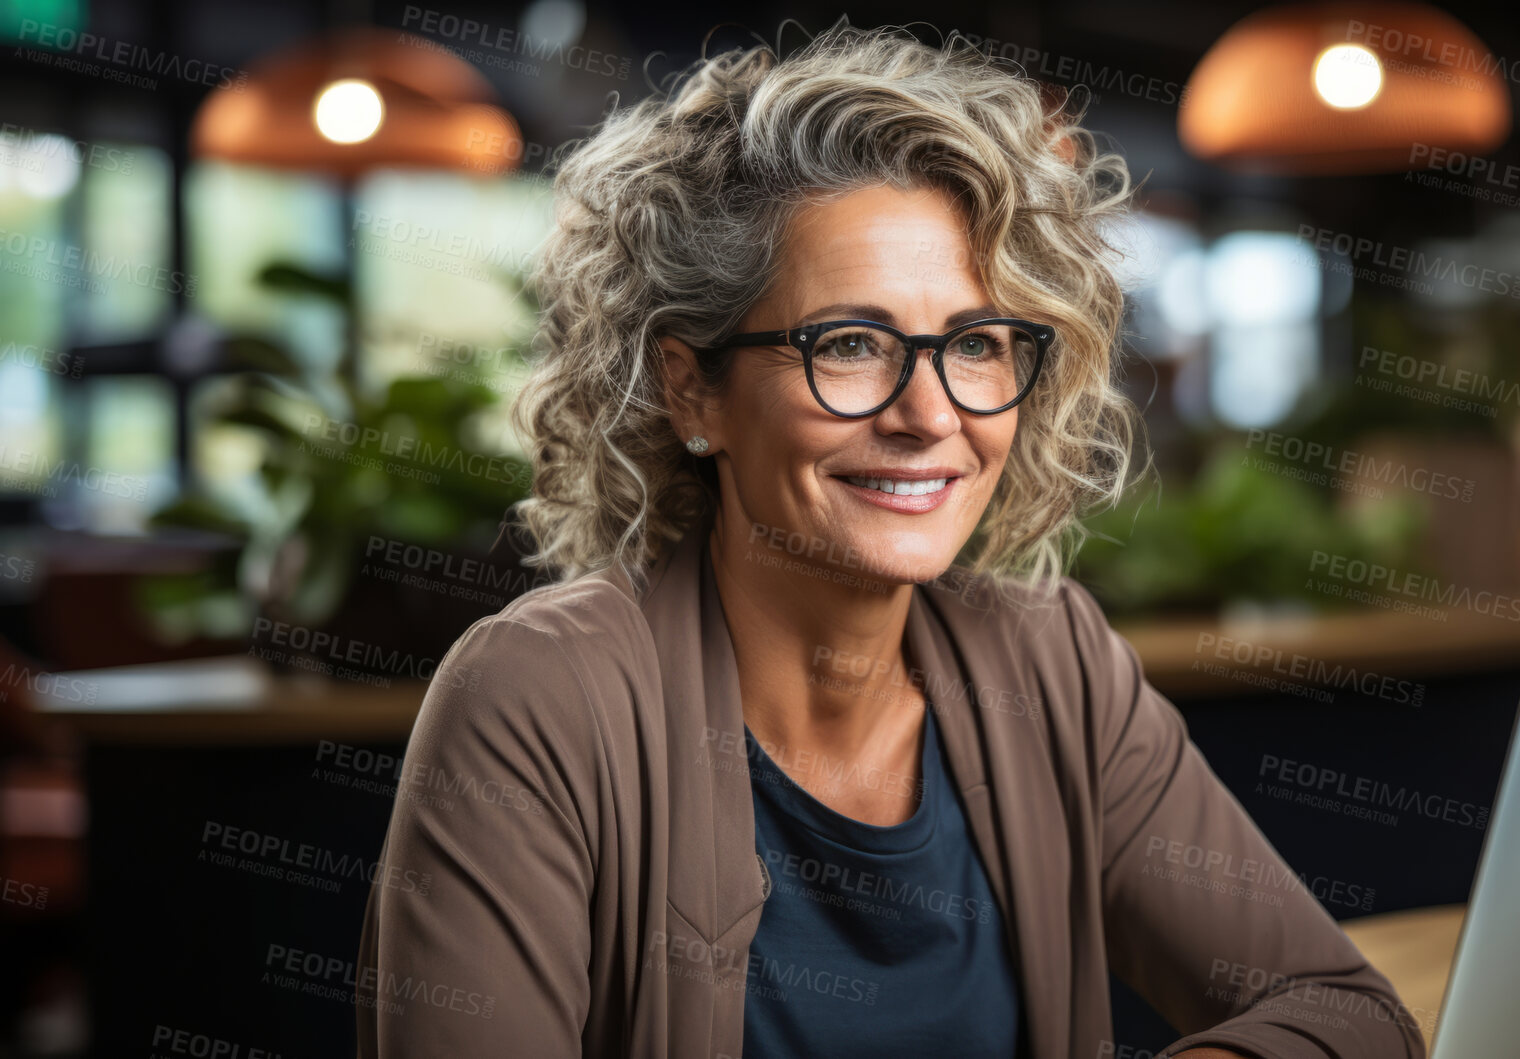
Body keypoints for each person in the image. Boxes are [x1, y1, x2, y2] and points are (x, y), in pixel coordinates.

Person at [355, 22, 1423, 1059]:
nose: (929, 414)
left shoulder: (1052, 666)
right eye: (851, 344)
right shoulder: (539, 699)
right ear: (695, 392)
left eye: (974, 344)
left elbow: (1346, 1016)